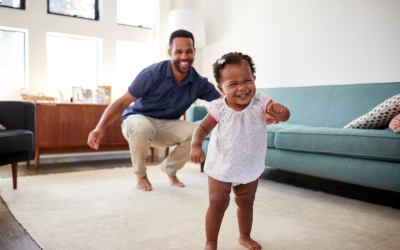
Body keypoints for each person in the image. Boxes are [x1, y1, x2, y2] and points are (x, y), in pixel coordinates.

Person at [87, 30, 221, 191]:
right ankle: (141, 174)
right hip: (138, 120)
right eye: (178, 51)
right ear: (170, 52)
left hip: (168, 125)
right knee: (142, 127)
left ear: (194, 52)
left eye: (188, 51)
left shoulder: (199, 82)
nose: (184, 56)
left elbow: (222, 103)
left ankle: (169, 168)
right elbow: (122, 102)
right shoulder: (152, 74)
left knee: (196, 131)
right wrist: (99, 127)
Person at [190, 52, 290, 250]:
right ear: (221, 88)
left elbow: (284, 116)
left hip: (249, 163)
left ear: (254, 79)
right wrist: (195, 145)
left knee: (246, 203)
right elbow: (201, 129)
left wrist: (282, 111)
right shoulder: (219, 108)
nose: (242, 87)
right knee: (217, 202)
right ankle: (211, 242)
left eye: (247, 80)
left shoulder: (262, 103)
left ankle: (244, 236)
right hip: (222, 162)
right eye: (233, 84)